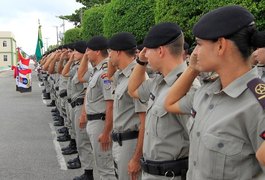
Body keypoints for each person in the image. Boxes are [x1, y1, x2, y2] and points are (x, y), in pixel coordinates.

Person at [164, 5, 265, 180]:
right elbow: (170, 103)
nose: (194, 52)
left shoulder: (257, 105)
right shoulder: (207, 93)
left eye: (200, 44)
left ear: (220, 46)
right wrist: (192, 69)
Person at [128, 22, 195, 180]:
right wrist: (141, 61)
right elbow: (132, 90)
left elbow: (197, 144)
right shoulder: (159, 82)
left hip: (172, 174)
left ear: (160, 50)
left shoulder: (188, 88)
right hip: (152, 172)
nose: (144, 54)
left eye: (147, 50)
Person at [108, 32, 147, 180]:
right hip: (120, 142)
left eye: (110, 51)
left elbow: (144, 121)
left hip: (131, 144)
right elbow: (109, 73)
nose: (109, 55)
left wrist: (137, 158)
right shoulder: (121, 75)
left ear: (118, 52)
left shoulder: (137, 77)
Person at [78, 36, 116, 180]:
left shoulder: (105, 72)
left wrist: (106, 132)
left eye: (89, 50)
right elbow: (81, 77)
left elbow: (110, 104)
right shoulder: (96, 70)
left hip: (101, 123)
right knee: (101, 165)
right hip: (94, 122)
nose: (86, 53)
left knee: (106, 167)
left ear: (98, 52)